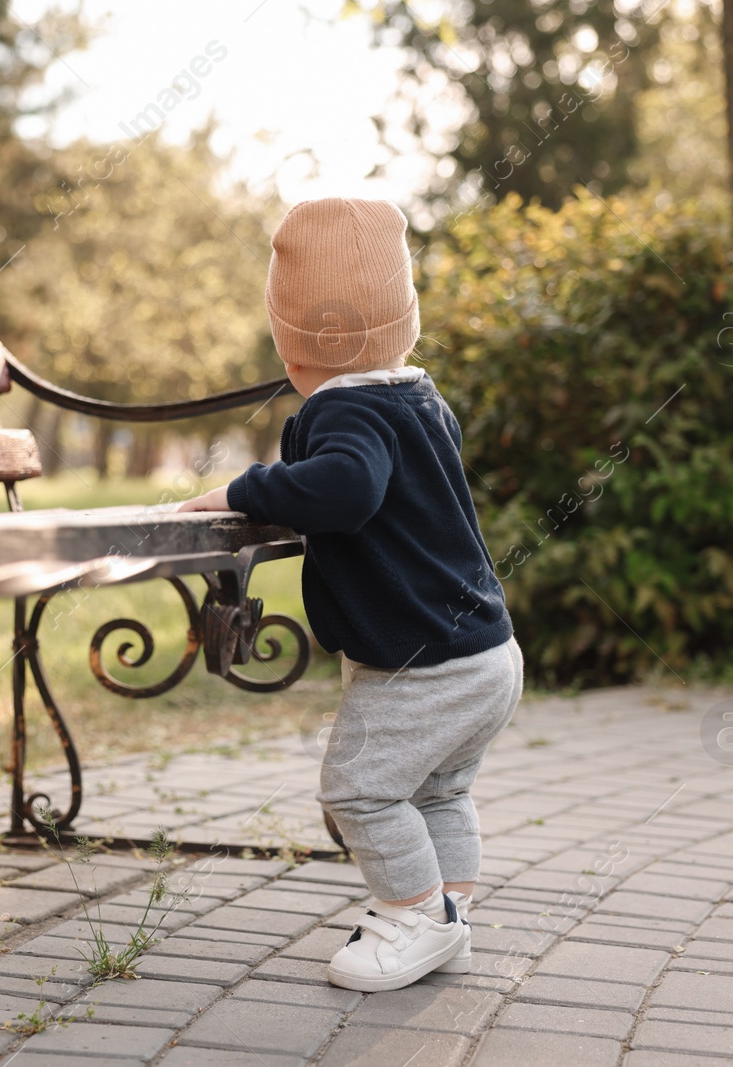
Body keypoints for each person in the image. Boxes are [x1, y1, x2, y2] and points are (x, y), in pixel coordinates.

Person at [177, 198, 523, 992]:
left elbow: (347, 489)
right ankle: (448, 922)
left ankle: (413, 916)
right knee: (439, 791)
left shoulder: (346, 406)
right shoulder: (419, 400)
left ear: (293, 343)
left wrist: (247, 487)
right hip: (487, 654)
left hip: (421, 665)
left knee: (358, 791)